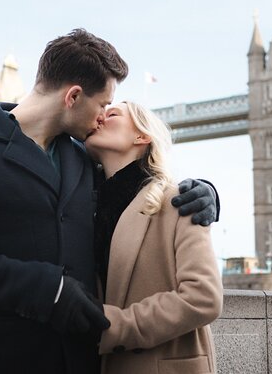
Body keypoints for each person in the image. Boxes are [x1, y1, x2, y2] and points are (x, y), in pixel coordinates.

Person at [0, 29, 219, 374]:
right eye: (103, 105)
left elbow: (139, 186)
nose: (103, 116)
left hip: (84, 361)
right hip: (4, 359)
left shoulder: (85, 158)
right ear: (73, 96)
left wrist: (205, 193)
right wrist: (45, 287)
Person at [85, 101, 223, 374]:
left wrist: (116, 327)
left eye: (112, 114)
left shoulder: (178, 201)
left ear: (142, 136)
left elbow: (204, 297)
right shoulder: (83, 209)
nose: (100, 118)